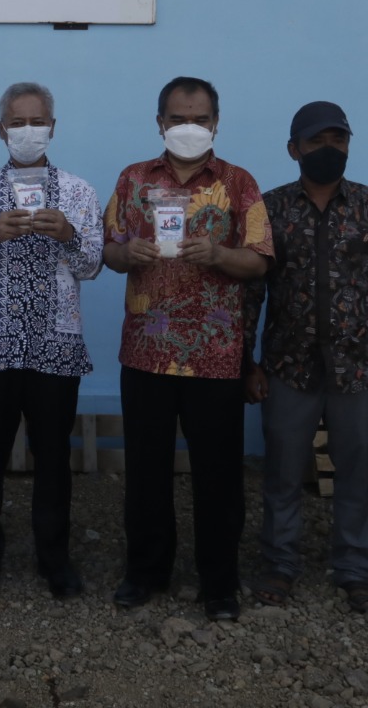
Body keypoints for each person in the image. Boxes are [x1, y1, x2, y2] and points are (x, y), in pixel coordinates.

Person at [103, 76, 273, 621]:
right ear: (159, 123)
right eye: (178, 118)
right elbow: (108, 249)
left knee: (218, 476)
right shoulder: (132, 180)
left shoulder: (239, 183)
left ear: (216, 124)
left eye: (199, 119)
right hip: (147, 353)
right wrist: (128, 255)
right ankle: (146, 572)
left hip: (215, 355)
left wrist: (219, 255)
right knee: (147, 470)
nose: (189, 128)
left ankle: (218, 583)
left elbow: (260, 260)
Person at [242, 101, 368, 613]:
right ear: (294, 149)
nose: (328, 150)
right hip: (289, 366)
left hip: (357, 367)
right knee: (283, 473)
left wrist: (360, 315)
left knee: (356, 472)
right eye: (317, 141)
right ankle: (279, 565)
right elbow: (251, 290)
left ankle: (355, 570)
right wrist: (248, 363)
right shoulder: (269, 211)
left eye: (337, 140)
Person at [0, 82, 103, 603]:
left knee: (54, 458)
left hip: (55, 344)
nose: (27, 131)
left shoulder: (81, 193)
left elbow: (91, 267)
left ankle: (54, 559)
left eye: (37, 121)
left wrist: (69, 235)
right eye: (16, 122)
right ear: (0, 130)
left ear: (53, 128)